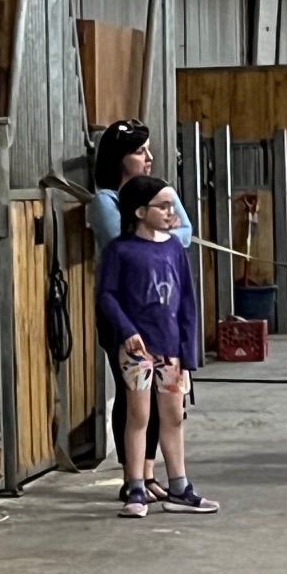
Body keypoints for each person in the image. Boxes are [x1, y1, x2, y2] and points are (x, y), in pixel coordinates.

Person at [96, 175, 219, 519]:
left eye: (172, 204)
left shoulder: (174, 250)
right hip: (137, 351)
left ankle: (179, 486)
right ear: (139, 211)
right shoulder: (119, 251)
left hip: (172, 350)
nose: (171, 212)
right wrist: (125, 330)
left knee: (174, 416)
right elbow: (106, 295)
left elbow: (188, 304)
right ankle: (135, 485)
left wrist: (188, 353)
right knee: (139, 415)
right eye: (163, 205)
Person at [86, 120, 192, 503]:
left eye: (148, 150)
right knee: (133, 395)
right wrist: (164, 231)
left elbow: (186, 232)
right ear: (119, 160)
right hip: (125, 315)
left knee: (164, 399)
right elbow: (127, 243)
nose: (148, 158)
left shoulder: (158, 193)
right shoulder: (105, 202)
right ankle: (134, 476)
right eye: (139, 152)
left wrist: (160, 224)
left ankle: (148, 473)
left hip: (161, 311)